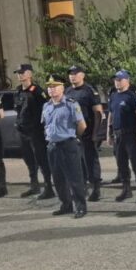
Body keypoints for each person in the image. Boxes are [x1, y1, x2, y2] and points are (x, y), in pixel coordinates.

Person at [42, 75, 88, 218]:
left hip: (68, 144)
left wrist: (74, 137)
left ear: (62, 88)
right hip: (52, 146)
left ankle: (80, 207)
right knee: (58, 179)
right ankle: (66, 205)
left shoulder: (71, 104)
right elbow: (46, 125)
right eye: (49, 87)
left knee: (75, 178)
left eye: (55, 86)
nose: (52, 89)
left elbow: (82, 125)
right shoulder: (46, 106)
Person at [13, 64, 55, 199]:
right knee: (29, 160)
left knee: (41, 159)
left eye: (22, 72)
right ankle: (34, 186)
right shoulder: (18, 91)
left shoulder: (37, 91)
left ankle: (48, 188)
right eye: (18, 73)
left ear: (30, 74)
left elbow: (47, 109)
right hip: (23, 131)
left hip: (35, 132)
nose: (20, 75)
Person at [107, 70, 136, 203]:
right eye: (116, 80)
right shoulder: (113, 96)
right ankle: (126, 189)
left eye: (120, 80)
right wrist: (109, 133)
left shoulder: (131, 96)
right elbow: (111, 115)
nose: (117, 82)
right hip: (118, 135)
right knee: (121, 163)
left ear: (127, 81)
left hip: (130, 134)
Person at [67, 65, 102, 202]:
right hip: (72, 132)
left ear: (82, 75)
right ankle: (82, 187)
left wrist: (96, 134)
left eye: (75, 74)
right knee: (77, 161)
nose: (72, 76)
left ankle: (96, 187)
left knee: (90, 160)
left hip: (88, 132)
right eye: (70, 74)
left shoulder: (89, 91)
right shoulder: (68, 91)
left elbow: (98, 113)